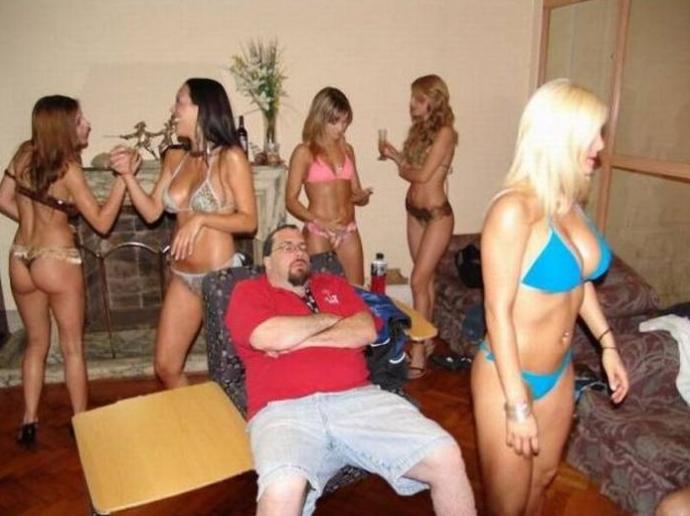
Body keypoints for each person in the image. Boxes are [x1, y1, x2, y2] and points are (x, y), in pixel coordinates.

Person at [226, 224, 476, 516]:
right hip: (283, 412)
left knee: (446, 455)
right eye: (287, 247)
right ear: (267, 261)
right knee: (282, 489)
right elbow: (266, 336)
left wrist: (299, 337)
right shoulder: (249, 291)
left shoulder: (333, 285)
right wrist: (331, 321)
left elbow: (365, 330)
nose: (299, 252)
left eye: (303, 247)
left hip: (358, 400)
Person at [471, 79, 630, 515]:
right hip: (508, 376)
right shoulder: (513, 210)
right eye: (592, 133)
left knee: (542, 482)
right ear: (561, 134)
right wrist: (516, 404)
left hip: (559, 373)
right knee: (507, 506)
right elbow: (496, 313)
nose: (600, 145)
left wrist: (608, 344)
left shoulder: (568, 204)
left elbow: (578, 283)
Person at [0, 95, 136, 445]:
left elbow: (2, 199)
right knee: (72, 347)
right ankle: (81, 422)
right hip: (56, 259)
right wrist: (123, 180)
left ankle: (29, 421)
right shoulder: (69, 169)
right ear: (62, 127)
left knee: (35, 343)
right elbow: (102, 223)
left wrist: (32, 221)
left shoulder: (23, 153)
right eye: (79, 120)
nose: (86, 124)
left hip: (20, 257)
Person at [110, 78, 257, 388]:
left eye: (179, 102)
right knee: (165, 366)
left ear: (201, 108)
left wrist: (201, 219)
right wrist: (127, 177)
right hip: (182, 278)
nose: (172, 109)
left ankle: (237, 419)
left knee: (231, 372)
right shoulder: (175, 158)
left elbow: (248, 221)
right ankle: (191, 417)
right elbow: (152, 211)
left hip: (219, 277)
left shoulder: (231, 157)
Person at [381, 74, 457, 379]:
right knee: (426, 281)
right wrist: (395, 155)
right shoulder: (420, 132)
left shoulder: (446, 133)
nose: (413, 104)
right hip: (414, 211)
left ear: (434, 101)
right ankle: (427, 340)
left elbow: (422, 175)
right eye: (413, 98)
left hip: (437, 215)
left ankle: (418, 352)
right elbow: (410, 171)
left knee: (417, 281)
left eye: (420, 99)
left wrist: (403, 166)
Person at [286, 87, 372, 286]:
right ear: (320, 118)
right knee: (322, 293)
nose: (341, 128)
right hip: (319, 230)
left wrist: (363, 197)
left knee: (357, 293)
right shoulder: (304, 152)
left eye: (345, 121)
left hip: (348, 229)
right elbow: (290, 200)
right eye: (335, 122)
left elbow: (356, 193)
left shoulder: (347, 150)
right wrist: (320, 222)